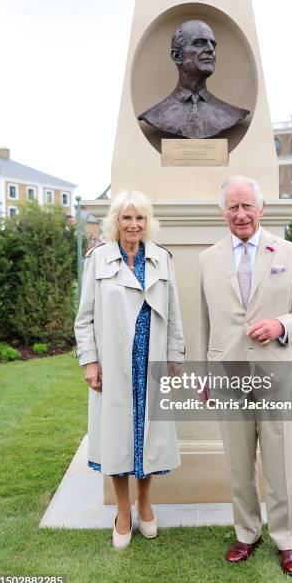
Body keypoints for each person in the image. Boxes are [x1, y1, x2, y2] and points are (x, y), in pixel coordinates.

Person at [199, 176, 292, 575]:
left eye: (247, 205)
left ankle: (288, 540)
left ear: (261, 208)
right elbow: (207, 323)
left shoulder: (289, 251)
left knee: (282, 460)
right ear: (223, 213)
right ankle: (246, 533)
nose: (241, 214)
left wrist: (281, 325)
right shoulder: (208, 259)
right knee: (237, 462)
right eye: (233, 207)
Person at [75, 190, 184, 550]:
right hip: (114, 366)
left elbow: (174, 316)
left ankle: (146, 504)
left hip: (150, 361)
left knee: (148, 438)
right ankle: (123, 511)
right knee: (116, 439)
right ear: (115, 222)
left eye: (139, 218)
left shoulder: (162, 259)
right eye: (126, 218)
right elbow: (84, 318)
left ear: (147, 222)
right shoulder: (99, 259)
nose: (133, 224)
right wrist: (90, 361)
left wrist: (174, 358)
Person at [138, 20, 249, 138]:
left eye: (213, 44)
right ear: (177, 56)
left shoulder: (230, 114)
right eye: (200, 43)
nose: (211, 49)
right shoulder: (156, 115)